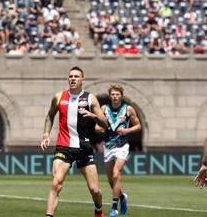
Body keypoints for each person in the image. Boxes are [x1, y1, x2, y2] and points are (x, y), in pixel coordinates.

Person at [40, 66, 108, 217]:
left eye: (76, 76)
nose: (73, 79)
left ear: (82, 79)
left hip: (84, 148)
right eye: (71, 76)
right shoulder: (59, 97)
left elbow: (104, 124)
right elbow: (50, 115)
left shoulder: (90, 98)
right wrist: (46, 134)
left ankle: (98, 209)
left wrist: (93, 115)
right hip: (63, 147)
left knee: (94, 190)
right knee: (56, 184)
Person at [95, 85, 141, 216]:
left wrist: (127, 130)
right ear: (110, 96)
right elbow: (96, 126)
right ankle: (122, 197)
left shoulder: (128, 109)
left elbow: (138, 126)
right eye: (113, 94)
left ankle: (114, 207)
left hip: (122, 146)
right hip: (108, 147)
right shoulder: (104, 109)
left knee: (116, 175)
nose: (115, 96)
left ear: (121, 96)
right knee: (111, 180)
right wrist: (99, 128)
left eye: (117, 94)